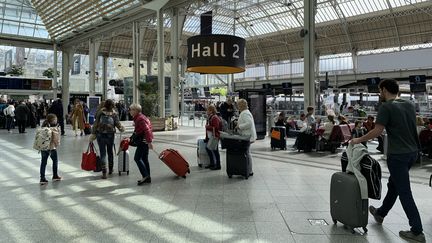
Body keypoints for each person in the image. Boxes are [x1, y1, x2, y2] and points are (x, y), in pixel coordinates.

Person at [350, 79, 425, 242]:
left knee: (404, 191)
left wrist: (358, 140)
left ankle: (417, 231)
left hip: (398, 155)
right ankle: (380, 213)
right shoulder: (409, 104)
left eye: (380, 91)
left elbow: (377, 131)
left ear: (384, 90)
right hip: (413, 152)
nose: (379, 94)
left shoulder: (386, 107)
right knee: (394, 185)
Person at [89, 99, 125, 179]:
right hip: (110, 134)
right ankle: (111, 169)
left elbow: (96, 123)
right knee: (110, 152)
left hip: (100, 134)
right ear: (112, 105)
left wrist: (93, 133)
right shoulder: (114, 113)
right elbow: (117, 123)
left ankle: (104, 172)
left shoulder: (100, 112)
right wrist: (121, 128)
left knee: (103, 153)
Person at [129, 104, 154, 185]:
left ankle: (145, 176)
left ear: (136, 110)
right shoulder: (140, 117)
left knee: (137, 158)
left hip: (143, 141)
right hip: (144, 141)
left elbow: (147, 130)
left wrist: (149, 142)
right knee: (144, 159)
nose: (130, 111)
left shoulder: (140, 119)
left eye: (132, 109)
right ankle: (148, 177)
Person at [39, 114, 62, 185]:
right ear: (53, 121)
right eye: (55, 119)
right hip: (51, 148)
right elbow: (56, 139)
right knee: (55, 161)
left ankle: (42, 178)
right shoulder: (53, 128)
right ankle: (55, 175)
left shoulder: (43, 127)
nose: (56, 120)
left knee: (43, 162)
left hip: (43, 148)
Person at [236, 99, 257, 176]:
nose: (237, 106)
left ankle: (249, 170)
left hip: (247, 136)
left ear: (241, 106)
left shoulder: (244, 113)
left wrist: (239, 126)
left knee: (247, 153)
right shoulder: (246, 112)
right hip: (247, 136)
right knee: (247, 153)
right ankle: (248, 169)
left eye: (238, 105)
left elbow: (249, 123)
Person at [204, 105, 222, 170]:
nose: (206, 111)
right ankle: (213, 164)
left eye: (207, 110)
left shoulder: (214, 118)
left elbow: (216, 127)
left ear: (211, 111)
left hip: (214, 136)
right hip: (211, 136)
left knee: (214, 150)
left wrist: (207, 127)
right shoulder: (210, 117)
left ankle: (217, 165)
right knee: (211, 149)